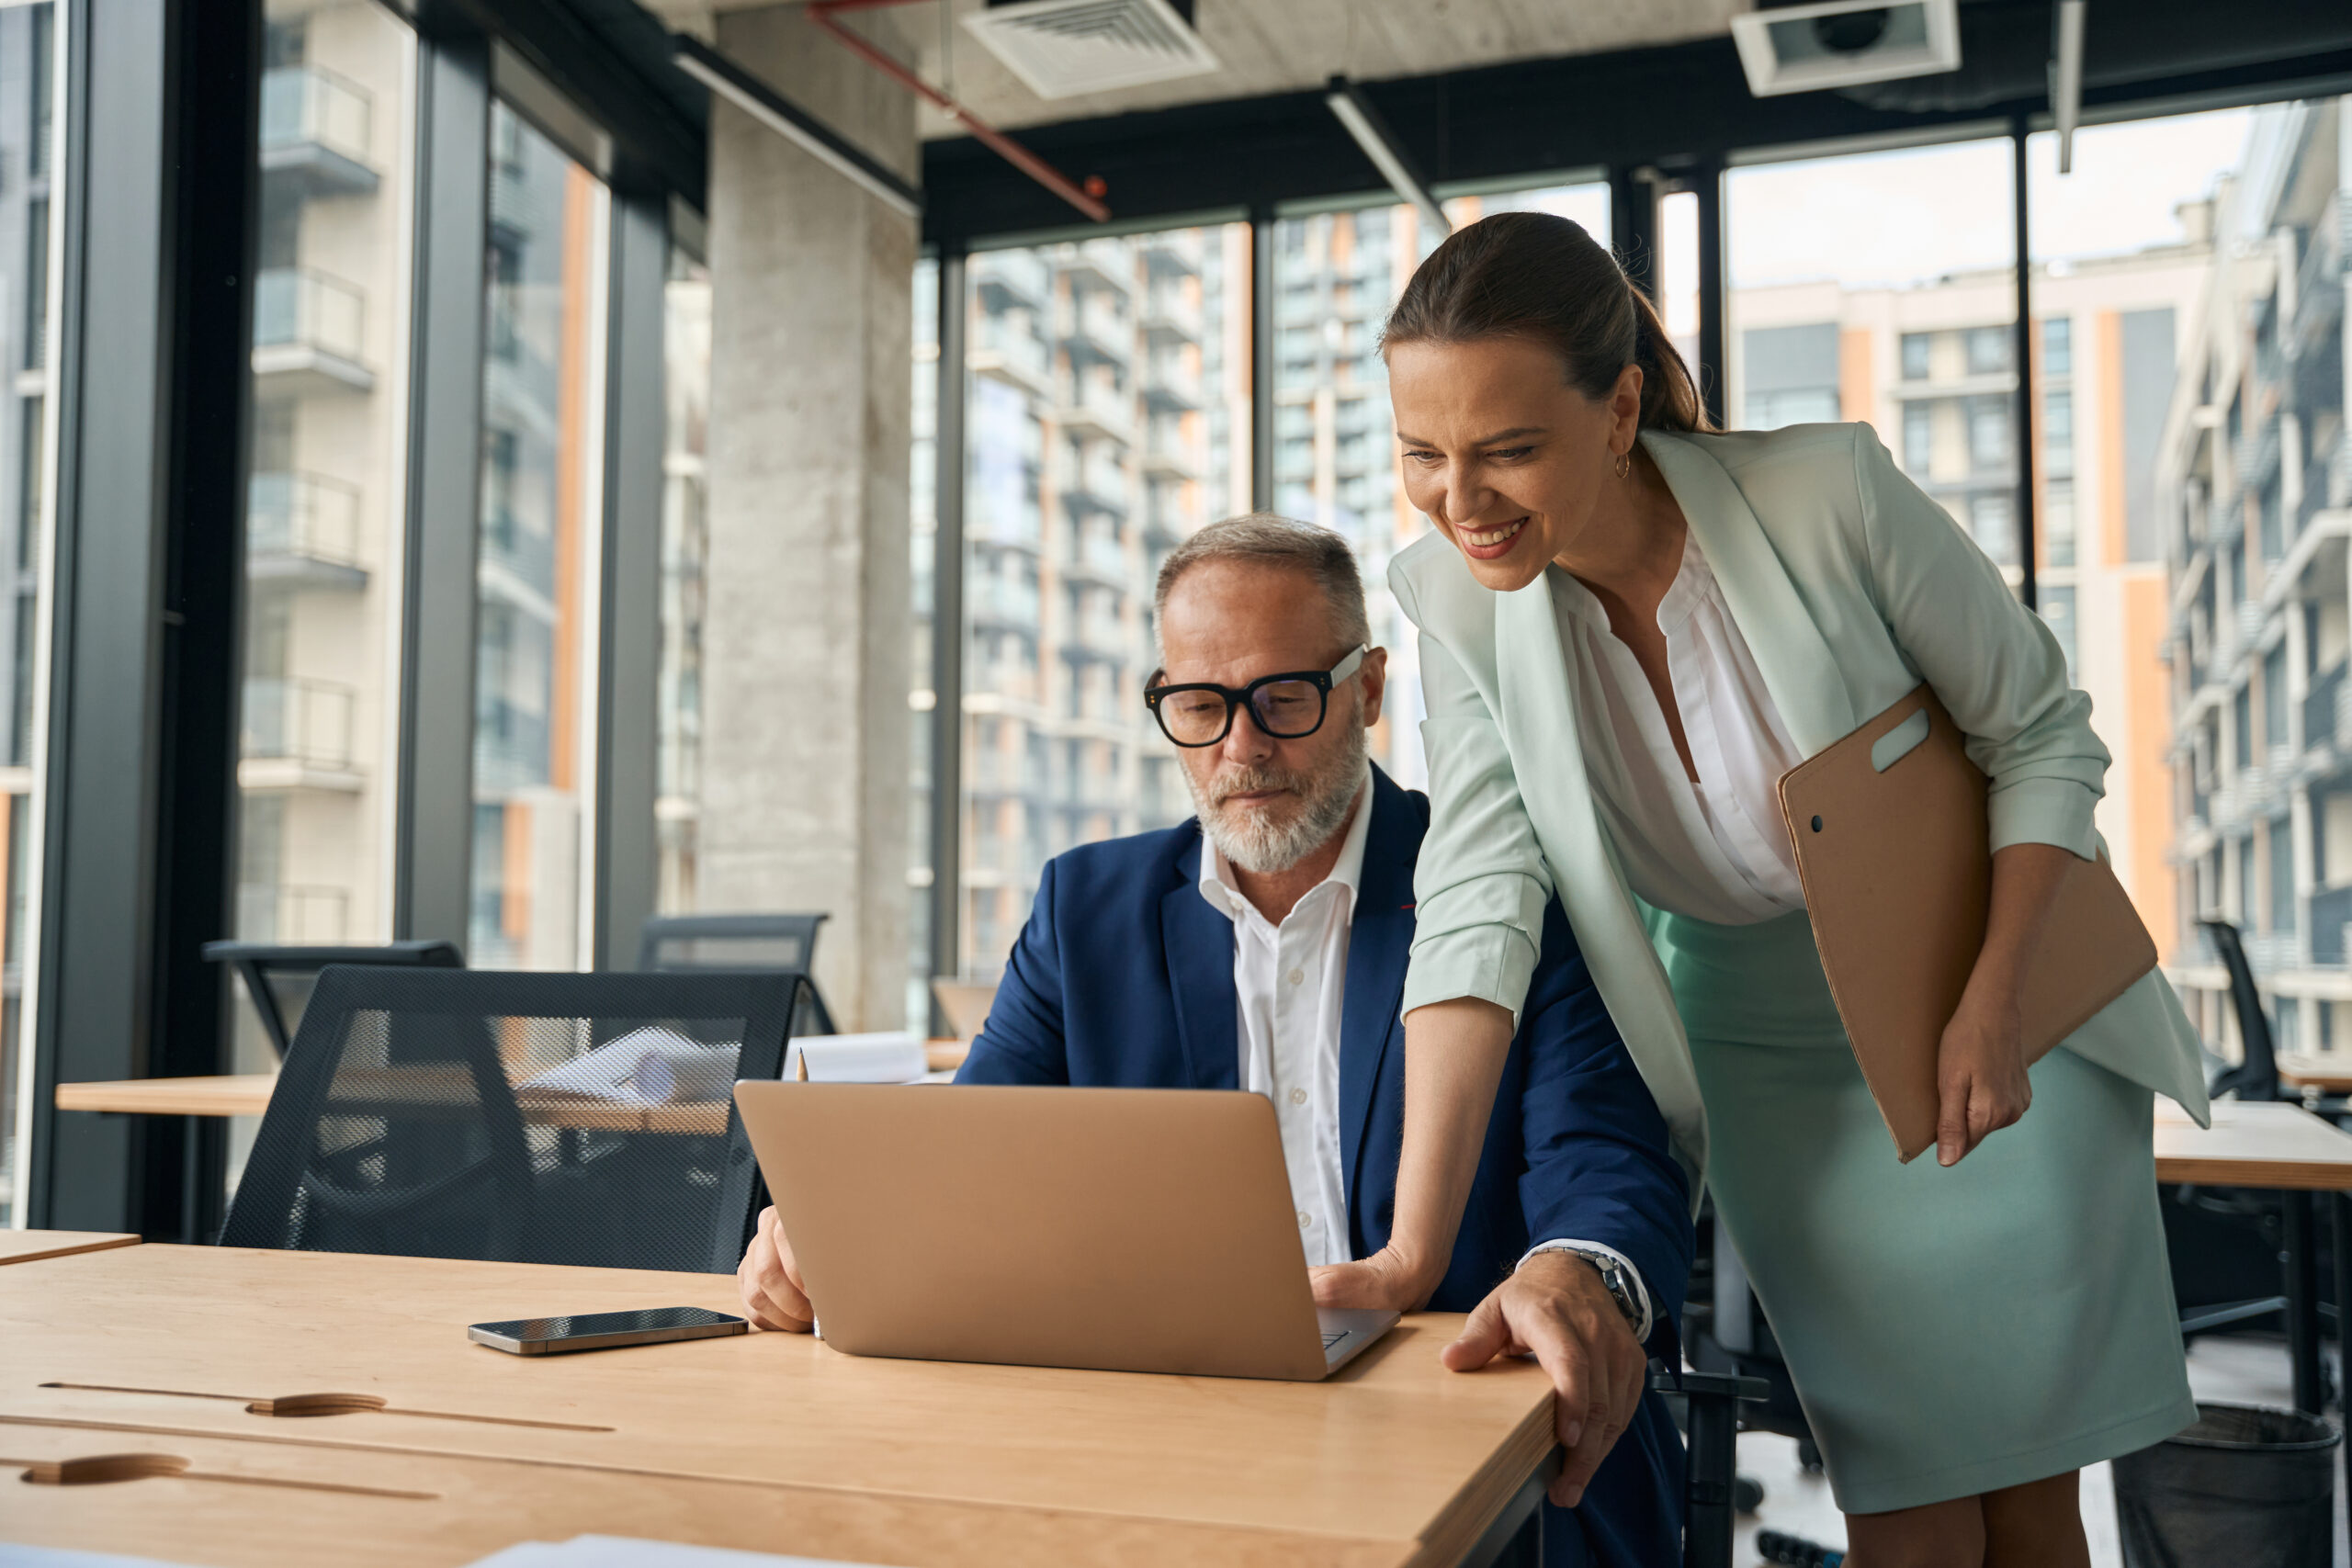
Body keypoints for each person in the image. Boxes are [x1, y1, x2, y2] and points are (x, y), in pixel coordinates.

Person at [1311, 209, 2211, 1568]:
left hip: (1991, 1001)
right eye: (1421, 456)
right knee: (1903, 1494)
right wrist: (1405, 1252)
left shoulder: (1828, 495)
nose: (1462, 497)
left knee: (2030, 1493)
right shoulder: (1461, 602)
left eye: (1508, 449)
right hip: (1772, 1069)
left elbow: (2042, 734)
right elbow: (1480, 894)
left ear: (1618, 413)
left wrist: (1992, 1002)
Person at [740, 513, 1695, 1568]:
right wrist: (839, 1238)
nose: (1241, 749)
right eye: (1198, 705)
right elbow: (978, 1160)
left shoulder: (1490, 883)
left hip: (1457, 1431)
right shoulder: (1085, 909)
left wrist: (1576, 1270)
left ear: (1368, 690)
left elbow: (1605, 1160)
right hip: (1162, 1436)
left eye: (1283, 698)